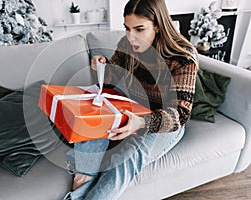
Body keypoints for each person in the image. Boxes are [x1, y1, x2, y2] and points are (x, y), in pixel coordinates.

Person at [63, 0, 198, 199]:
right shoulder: (127, 44)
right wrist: (102, 66)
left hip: (165, 124)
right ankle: (84, 176)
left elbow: (180, 114)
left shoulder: (183, 57)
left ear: (158, 26)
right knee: (93, 120)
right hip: (133, 110)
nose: (131, 37)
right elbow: (111, 79)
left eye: (139, 29)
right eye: (127, 28)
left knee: (127, 157)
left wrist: (142, 123)